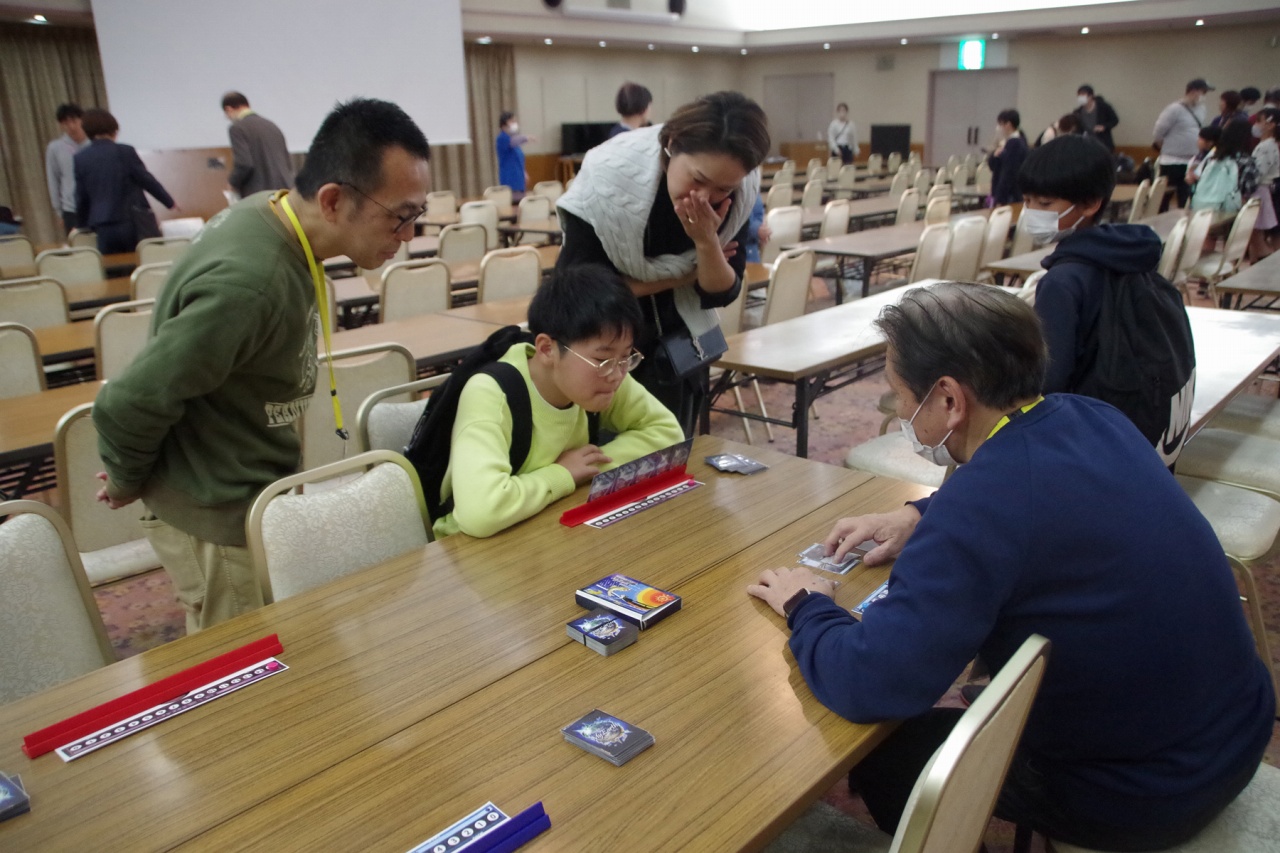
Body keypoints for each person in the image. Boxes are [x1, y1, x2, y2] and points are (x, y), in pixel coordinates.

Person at [747, 282, 1274, 850]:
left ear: (949, 399)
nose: (899, 411)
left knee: (889, 753)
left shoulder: (982, 509)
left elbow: (870, 682)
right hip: (1233, 730)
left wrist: (807, 606)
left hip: (1147, 793)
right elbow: (1039, 497)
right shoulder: (1093, 416)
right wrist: (917, 514)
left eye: (899, 394)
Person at [93, 98, 431, 632]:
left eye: (417, 215)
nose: (409, 235)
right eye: (400, 216)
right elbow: (127, 401)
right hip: (219, 511)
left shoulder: (274, 214)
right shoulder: (251, 284)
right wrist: (126, 477)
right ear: (333, 200)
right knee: (248, 665)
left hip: (249, 493)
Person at [555, 91, 769, 436]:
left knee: (670, 451)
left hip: (680, 351)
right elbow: (580, 289)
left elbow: (723, 291)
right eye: (697, 179)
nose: (704, 197)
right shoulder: (608, 177)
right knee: (605, 455)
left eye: (722, 189)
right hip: (602, 346)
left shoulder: (740, 190)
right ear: (671, 145)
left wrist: (705, 242)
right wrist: (684, 276)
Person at [432, 265, 683, 539]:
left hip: (551, 527)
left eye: (626, 357)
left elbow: (668, 433)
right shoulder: (492, 393)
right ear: (547, 349)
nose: (617, 374)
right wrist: (562, 474)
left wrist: (586, 469)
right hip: (472, 548)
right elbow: (481, 513)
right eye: (602, 359)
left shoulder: (606, 374)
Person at [1018, 134, 1195, 465]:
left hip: (1087, 447)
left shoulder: (1062, 282)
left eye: (1044, 203)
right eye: (1027, 201)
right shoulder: (1131, 256)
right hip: (1141, 442)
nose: (1031, 213)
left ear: (1090, 204)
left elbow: (1049, 381)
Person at [73, 109, 177, 254]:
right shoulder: (125, 151)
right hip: (130, 221)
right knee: (141, 261)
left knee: (111, 265)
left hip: (102, 226)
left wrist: (81, 225)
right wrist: (169, 202)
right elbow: (146, 179)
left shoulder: (81, 158)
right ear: (114, 130)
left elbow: (81, 196)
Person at [221, 91, 295, 198]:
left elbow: (244, 164)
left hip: (260, 196)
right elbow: (287, 163)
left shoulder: (237, 128)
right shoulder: (271, 126)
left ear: (228, 109)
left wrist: (232, 183)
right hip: (284, 192)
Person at [1153, 78, 1214, 207]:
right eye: (1203, 92)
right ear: (1193, 91)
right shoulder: (1174, 109)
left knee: (1186, 197)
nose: (1204, 96)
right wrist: (1166, 147)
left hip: (1191, 160)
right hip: (1171, 161)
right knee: (1164, 197)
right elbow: (1158, 132)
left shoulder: (1201, 109)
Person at [1191, 118, 1259, 214]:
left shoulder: (1213, 157)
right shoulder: (1246, 161)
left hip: (1203, 208)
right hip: (1230, 210)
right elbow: (1249, 188)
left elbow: (1199, 178)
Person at [45, 103, 88, 235]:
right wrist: (59, 211)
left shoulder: (94, 144)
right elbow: (53, 179)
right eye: (65, 122)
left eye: (74, 120)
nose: (71, 126)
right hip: (71, 209)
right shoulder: (55, 148)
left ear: (82, 120)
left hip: (97, 207)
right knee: (79, 245)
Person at [1248, 107, 1278, 260]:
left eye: (1259, 121)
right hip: (1262, 189)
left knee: (1257, 235)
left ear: (1270, 125)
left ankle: (1268, 263)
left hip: (1260, 190)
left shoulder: (1267, 146)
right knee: (1255, 234)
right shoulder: (1267, 145)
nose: (1256, 125)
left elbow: (1259, 172)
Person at [986, 109, 1027, 205]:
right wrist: (995, 155)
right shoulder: (1012, 142)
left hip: (1009, 195)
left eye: (1000, 124)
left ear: (1008, 124)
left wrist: (1000, 198)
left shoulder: (1014, 144)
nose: (998, 128)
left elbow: (1008, 172)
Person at [1073, 84, 1119, 151]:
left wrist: (1104, 127)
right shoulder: (1078, 112)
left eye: (1083, 95)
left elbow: (1115, 120)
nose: (1081, 98)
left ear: (1091, 96)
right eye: (1079, 95)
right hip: (1086, 145)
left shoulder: (1103, 107)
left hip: (1103, 143)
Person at [495, 111, 531, 193]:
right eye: (512, 121)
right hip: (509, 178)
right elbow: (512, 142)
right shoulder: (502, 138)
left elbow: (519, 160)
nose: (515, 123)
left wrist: (524, 174)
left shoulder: (516, 144)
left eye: (515, 121)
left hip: (519, 178)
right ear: (504, 125)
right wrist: (525, 138)